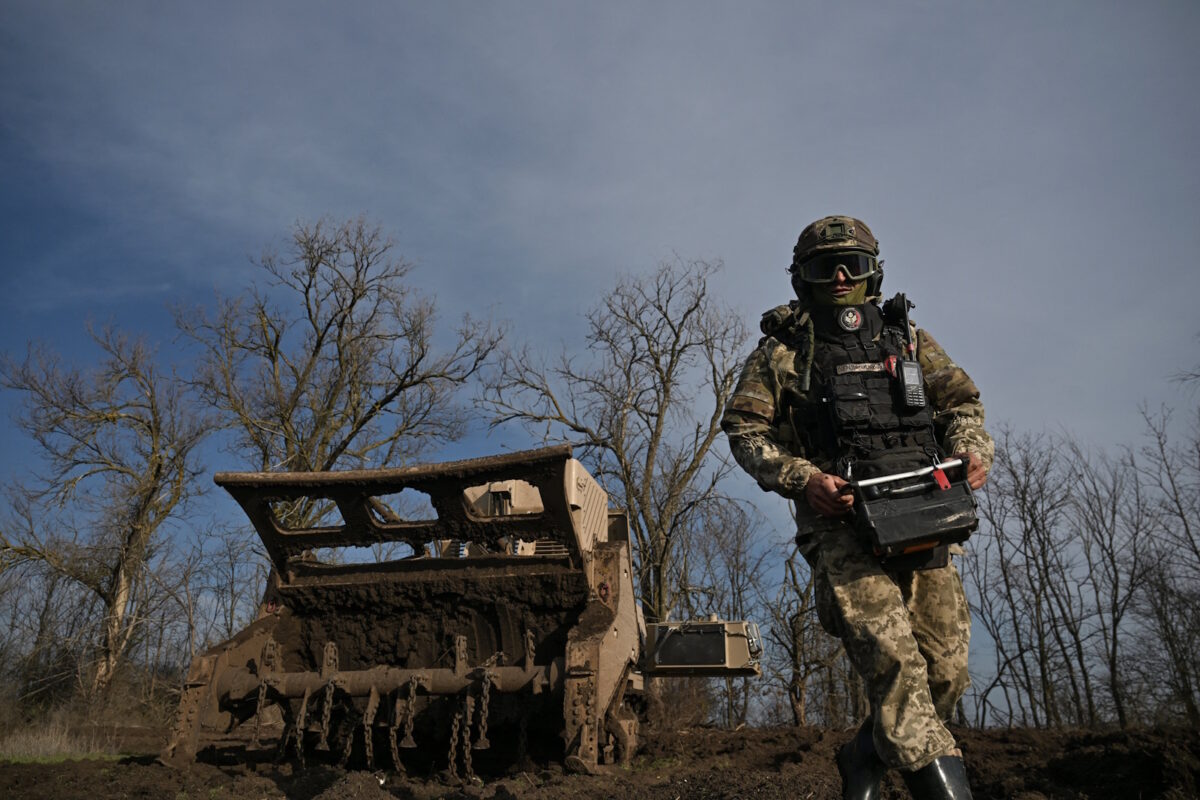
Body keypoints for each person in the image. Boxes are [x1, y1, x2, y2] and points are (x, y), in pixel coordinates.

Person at [721, 216, 993, 800]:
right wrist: (802, 478)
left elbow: (962, 405)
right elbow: (745, 430)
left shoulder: (908, 339)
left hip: (923, 515)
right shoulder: (782, 352)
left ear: (874, 272)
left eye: (854, 265)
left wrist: (973, 449)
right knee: (895, 665)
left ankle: (863, 754)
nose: (841, 277)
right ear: (804, 278)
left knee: (945, 674)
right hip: (841, 527)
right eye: (827, 268)